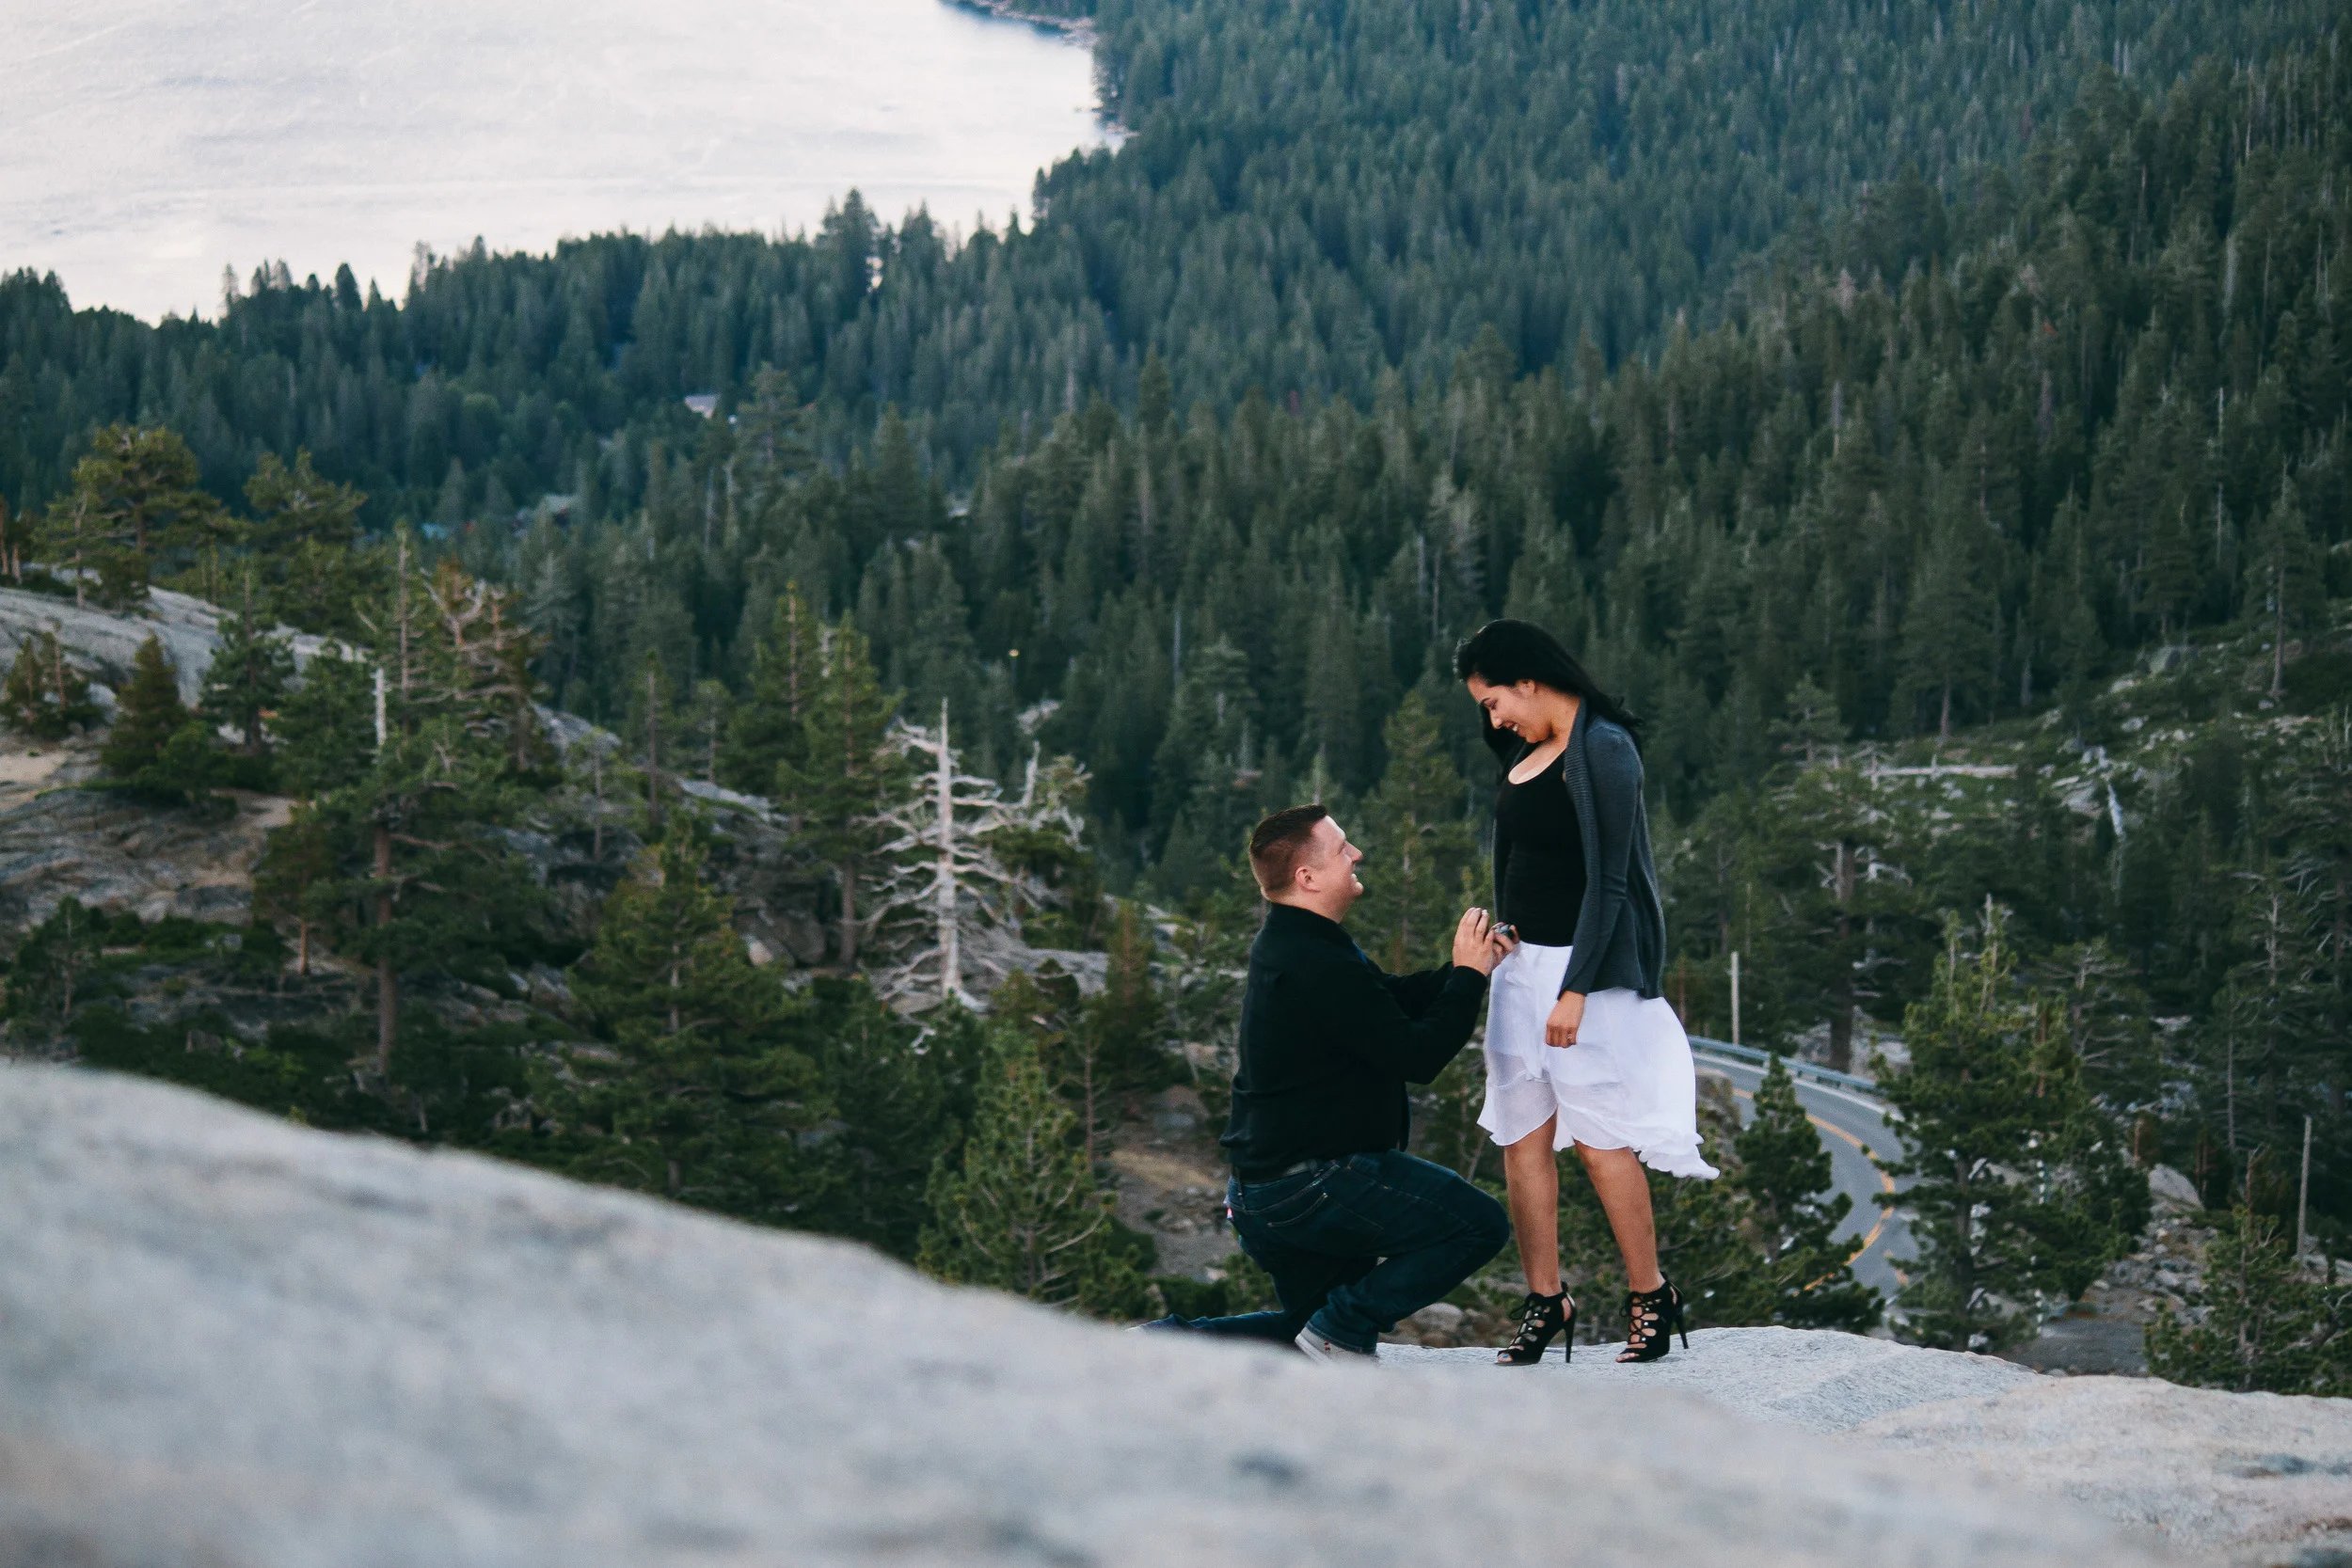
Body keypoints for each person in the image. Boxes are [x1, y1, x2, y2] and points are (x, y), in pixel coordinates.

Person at [1140, 804, 1514, 1361]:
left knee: (1300, 1334)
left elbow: (1386, 1000)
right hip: (1312, 1186)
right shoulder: (1312, 958)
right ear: (1307, 877)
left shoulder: (1300, 942)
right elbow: (1418, 1055)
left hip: (1263, 1191)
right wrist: (1465, 977)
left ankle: (1158, 1346)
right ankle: (1344, 1328)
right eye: (1343, 848)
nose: (1357, 854)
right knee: (1479, 1226)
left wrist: (1474, 965)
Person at [1454, 619, 1718, 1366]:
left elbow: (1609, 881)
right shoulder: (1525, 749)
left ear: (1529, 679)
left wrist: (1575, 989)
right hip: (1521, 968)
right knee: (1520, 1140)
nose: (1493, 717)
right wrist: (1503, 934)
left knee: (1603, 1145)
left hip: (1587, 973)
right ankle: (1546, 1298)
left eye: (1496, 699)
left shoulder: (1603, 749)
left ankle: (1651, 1294)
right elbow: (1524, 861)